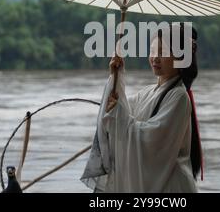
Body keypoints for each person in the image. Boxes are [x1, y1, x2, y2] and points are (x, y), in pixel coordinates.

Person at [81, 23, 203, 192]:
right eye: (153, 51)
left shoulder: (179, 97)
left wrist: (117, 113)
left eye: (163, 52)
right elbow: (120, 107)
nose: (155, 58)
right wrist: (116, 76)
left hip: (172, 187)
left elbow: (150, 141)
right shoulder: (149, 92)